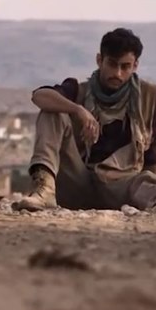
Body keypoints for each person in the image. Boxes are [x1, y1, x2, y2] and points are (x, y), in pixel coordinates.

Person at [15, 28, 156, 211]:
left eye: (125, 67)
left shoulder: (149, 98)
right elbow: (39, 96)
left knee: (143, 182)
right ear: (99, 60)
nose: (118, 73)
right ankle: (44, 190)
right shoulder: (78, 90)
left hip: (122, 185)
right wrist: (78, 110)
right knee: (52, 112)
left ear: (135, 66)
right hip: (78, 182)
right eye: (112, 64)